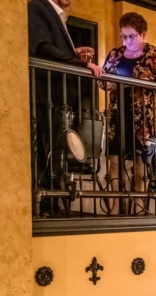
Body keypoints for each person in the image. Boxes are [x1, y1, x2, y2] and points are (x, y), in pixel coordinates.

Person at [28, 0, 103, 215]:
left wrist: (74, 52)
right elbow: (41, 46)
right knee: (46, 150)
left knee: (55, 150)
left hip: (56, 98)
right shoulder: (37, 7)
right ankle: (45, 205)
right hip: (45, 95)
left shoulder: (57, 14)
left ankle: (53, 202)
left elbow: (49, 46)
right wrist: (81, 64)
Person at [99, 12, 156, 216]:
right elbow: (103, 82)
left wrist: (145, 82)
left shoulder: (154, 54)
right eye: (124, 36)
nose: (127, 41)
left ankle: (138, 207)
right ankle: (115, 207)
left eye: (132, 36)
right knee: (114, 161)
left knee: (141, 162)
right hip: (117, 114)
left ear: (143, 34)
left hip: (143, 117)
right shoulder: (115, 53)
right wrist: (108, 82)